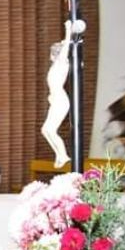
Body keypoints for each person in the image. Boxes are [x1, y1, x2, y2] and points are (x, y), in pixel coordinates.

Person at [41, 20, 73, 168]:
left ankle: (63, 155)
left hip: (60, 99)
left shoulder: (61, 63)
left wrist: (68, 30)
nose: (50, 55)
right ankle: (60, 155)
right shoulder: (56, 65)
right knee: (46, 130)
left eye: (52, 53)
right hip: (56, 99)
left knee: (50, 129)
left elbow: (66, 47)